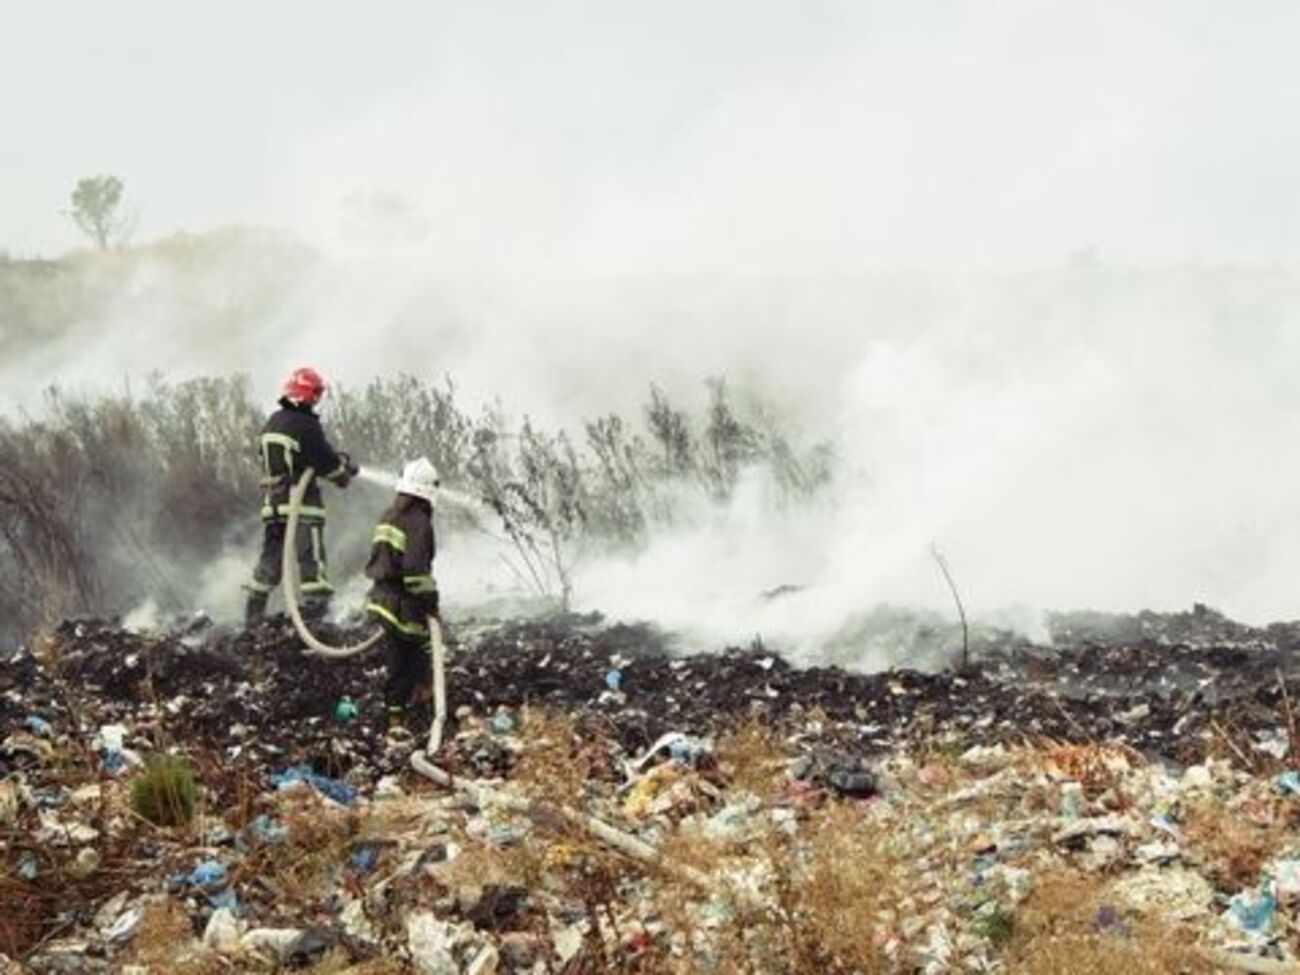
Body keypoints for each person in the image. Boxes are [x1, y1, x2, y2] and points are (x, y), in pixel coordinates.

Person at [243, 366, 358, 623]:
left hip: (272, 505)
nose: (318, 399)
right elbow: (326, 463)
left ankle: (252, 614)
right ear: (308, 394)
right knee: (311, 559)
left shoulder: (273, 421)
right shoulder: (306, 425)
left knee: (271, 560)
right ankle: (319, 615)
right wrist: (344, 474)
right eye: (316, 393)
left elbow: (274, 459)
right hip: (301, 504)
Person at [364, 457, 440, 734]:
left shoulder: (389, 514)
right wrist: (432, 605)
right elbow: (416, 572)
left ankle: (402, 716)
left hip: (381, 598)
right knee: (411, 661)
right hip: (402, 604)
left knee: (401, 659)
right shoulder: (418, 521)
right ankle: (410, 718)